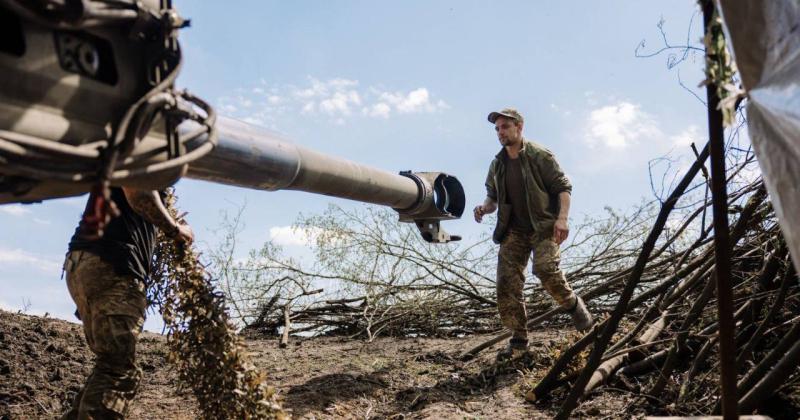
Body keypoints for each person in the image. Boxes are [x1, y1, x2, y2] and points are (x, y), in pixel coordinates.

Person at [61, 187, 193, 419]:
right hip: (112, 264)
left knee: (109, 364)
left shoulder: (117, 159)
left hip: (84, 264)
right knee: (119, 372)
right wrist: (175, 230)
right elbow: (138, 191)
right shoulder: (144, 155)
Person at [473, 108, 593, 360]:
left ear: (519, 127)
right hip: (513, 230)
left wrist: (562, 219)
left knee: (545, 269)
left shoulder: (540, 155)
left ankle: (573, 305)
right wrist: (484, 208)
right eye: (497, 129)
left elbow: (563, 187)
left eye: (505, 127)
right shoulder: (498, 164)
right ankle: (519, 340)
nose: (500, 132)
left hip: (544, 227)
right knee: (506, 283)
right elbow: (493, 197)